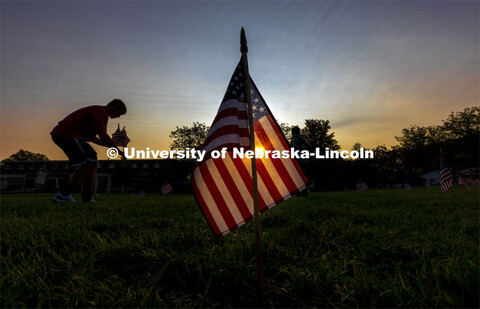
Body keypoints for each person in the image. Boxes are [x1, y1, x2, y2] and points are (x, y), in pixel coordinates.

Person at [50, 99, 127, 202]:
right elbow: (103, 136)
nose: (118, 117)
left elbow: (93, 138)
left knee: (93, 162)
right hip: (66, 134)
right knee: (88, 161)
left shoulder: (98, 113)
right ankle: (63, 194)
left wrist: (111, 146)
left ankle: (87, 197)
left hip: (64, 135)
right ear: (114, 108)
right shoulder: (101, 112)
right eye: (119, 114)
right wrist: (118, 151)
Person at [291, 126, 309, 196]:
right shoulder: (302, 138)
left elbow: (295, 149)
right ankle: (305, 192)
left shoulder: (295, 138)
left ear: (294, 132)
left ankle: (298, 193)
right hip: (304, 160)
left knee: (297, 177)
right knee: (303, 177)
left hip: (298, 160)